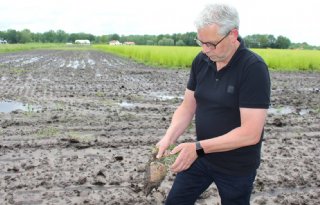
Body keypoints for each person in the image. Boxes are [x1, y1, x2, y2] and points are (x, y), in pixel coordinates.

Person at [156, 3, 271, 205]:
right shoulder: (201, 61)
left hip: (236, 166)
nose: (205, 49)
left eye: (211, 44)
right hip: (201, 157)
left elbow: (251, 132)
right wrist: (169, 137)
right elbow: (187, 107)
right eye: (200, 42)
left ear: (233, 35)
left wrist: (198, 148)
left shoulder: (253, 68)